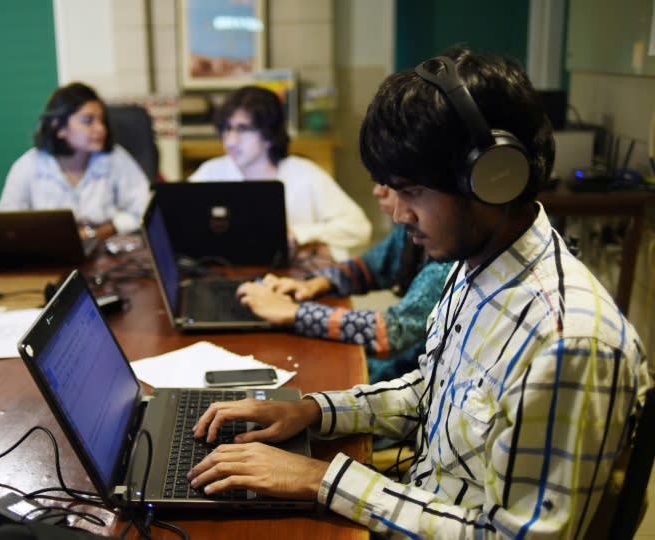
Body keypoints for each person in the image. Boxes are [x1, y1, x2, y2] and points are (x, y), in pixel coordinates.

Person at [186, 48, 651, 538]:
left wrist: (324, 479)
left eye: (412, 192)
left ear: (494, 178)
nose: (398, 214)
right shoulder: (476, 263)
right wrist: (311, 411)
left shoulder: (567, 343)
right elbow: (430, 391)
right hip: (418, 500)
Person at [237, 182, 452, 385]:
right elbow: (370, 266)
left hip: (411, 380)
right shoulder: (409, 232)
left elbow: (391, 333)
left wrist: (293, 312)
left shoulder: (447, 260)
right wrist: (314, 284)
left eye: (391, 183)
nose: (378, 191)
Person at [188, 85, 371, 261]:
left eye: (243, 129)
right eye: (227, 128)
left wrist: (299, 233)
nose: (230, 140)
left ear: (269, 135)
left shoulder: (305, 174)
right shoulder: (211, 171)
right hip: (224, 273)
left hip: (290, 279)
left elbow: (359, 229)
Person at [0, 82, 152, 242]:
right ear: (59, 126)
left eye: (102, 120)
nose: (101, 128)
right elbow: (6, 224)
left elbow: (145, 209)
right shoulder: (29, 166)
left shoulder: (115, 158)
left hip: (106, 251)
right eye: (88, 120)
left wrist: (107, 229)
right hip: (49, 254)